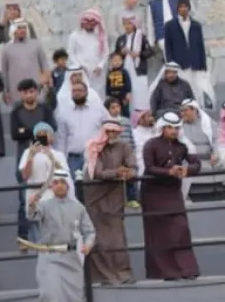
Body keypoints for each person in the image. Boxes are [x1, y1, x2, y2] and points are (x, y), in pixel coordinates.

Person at [26, 170, 96, 302]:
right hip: (50, 256)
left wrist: (88, 244)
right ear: (51, 186)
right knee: (49, 294)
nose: (59, 186)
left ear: (67, 185)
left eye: (62, 182)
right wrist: (32, 203)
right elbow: (33, 214)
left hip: (71, 258)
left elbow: (89, 231)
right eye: (55, 182)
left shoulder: (78, 207)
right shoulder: (45, 206)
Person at [141, 113, 201, 280]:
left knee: (180, 228)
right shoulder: (151, 144)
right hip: (153, 192)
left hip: (173, 192)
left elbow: (196, 164)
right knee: (159, 233)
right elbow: (149, 168)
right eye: (169, 127)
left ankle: (187, 270)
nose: (173, 131)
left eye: (176, 128)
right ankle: (165, 272)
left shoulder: (182, 146)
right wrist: (169, 172)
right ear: (162, 128)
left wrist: (186, 170)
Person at [81, 119, 137, 285]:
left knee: (116, 239)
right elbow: (98, 173)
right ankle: (100, 277)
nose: (111, 135)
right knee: (98, 239)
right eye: (108, 131)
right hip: (95, 198)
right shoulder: (94, 147)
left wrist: (128, 173)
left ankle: (123, 276)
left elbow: (133, 168)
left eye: (114, 132)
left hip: (115, 198)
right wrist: (118, 172)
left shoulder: (124, 147)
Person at [9, 80, 58, 238]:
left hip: (45, 154)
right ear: (21, 94)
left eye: (31, 91)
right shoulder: (16, 112)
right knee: (24, 197)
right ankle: (23, 236)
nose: (29, 95)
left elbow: (52, 127)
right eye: (25, 92)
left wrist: (26, 131)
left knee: (49, 192)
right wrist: (37, 131)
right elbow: (15, 134)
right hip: (25, 155)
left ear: (36, 92)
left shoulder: (45, 109)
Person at [18, 122, 69, 241]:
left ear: (52, 136)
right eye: (39, 134)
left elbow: (64, 176)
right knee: (38, 236)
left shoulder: (59, 154)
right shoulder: (28, 153)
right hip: (35, 198)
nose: (42, 136)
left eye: (45, 133)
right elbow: (25, 176)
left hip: (54, 198)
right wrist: (31, 157)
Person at [163, 0, 213, 108]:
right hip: (180, 65)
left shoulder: (196, 25)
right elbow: (168, 47)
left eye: (185, 6)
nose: (183, 9)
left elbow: (200, 46)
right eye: (181, 7)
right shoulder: (170, 26)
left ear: (189, 8)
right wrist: (171, 65)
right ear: (177, 9)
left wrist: (203, 65)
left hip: (195, 64)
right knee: (182, 91)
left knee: (197, 90)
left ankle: (198, 110)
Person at [56, 82, 110, 176]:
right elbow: (62, 139)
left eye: (79, 90)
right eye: (74, 91)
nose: (77, 93)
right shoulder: (65, 113)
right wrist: (61, 160)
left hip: (95, 157)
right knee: (75, 184)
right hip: (74, 159)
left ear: (86, 92)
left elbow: (109, 127)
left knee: (94, 183)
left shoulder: (98, 109)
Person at [0, 19, 48, 106]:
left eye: (24, 28)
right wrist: (6, 90)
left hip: (36, 89)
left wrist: (45, 82)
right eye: (19, 28)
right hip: (16, 91)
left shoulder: (36, 44)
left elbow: (44, 64)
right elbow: (4, 71)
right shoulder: (7, 48)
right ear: (14, 30)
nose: (22, 30)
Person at [67, 9, 110, 96]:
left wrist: (100, 66)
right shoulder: (74, 36)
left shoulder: (101, 36)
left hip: (97, 73)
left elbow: (106, 54)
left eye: (92, 22)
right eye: (87, 21)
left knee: (98, 95)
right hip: (81, 72)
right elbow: (70, 53)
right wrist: (79, 67)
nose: (89, 24)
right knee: (82, 94)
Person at [115, 12, 152, 109]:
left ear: (134, 24)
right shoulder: (120, 39)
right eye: (125, 24)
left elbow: (150, 52)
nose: (127, 26)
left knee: (140, 94)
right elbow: (116, 55)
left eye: (129, 23)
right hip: (124, 71)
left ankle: (141, 113)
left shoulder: (141, 37)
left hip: (138, 70)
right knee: (126, 94)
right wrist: (121, 53)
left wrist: (139, 54)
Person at [146, 0, 186, 64]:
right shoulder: (152, 4)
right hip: (162, 35)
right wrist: (151, 42)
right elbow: (150, 23)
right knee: (170, 59)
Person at [103, 51, 133, 116]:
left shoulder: (124, 71)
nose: (117, 62)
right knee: (114, 110)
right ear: (111, 62)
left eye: (119, 60)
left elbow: (128, 82)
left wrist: (128, 93)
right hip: (113, 96)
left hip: (123, 96)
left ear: (122, 61)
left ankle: (126, 120)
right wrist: (107, 95)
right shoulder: (109, 72)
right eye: (115, 60)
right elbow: (108, 84)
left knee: (125, 110)